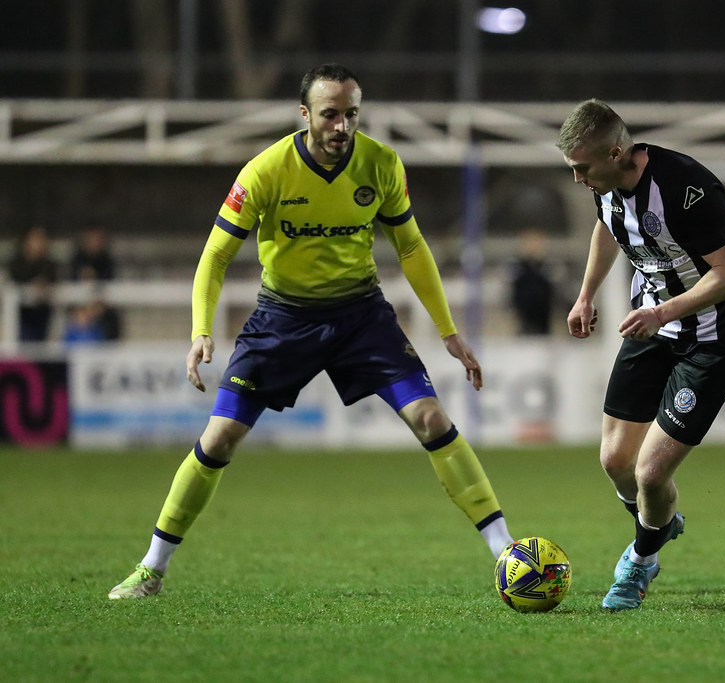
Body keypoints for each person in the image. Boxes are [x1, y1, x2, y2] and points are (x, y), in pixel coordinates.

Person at [108, 64, 514, 599]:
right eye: (330, 114)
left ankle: (510, 555)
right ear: (305, 115)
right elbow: (216, 255)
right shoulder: (265, 171)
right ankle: (151, 569)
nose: (342, 126)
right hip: (283, 318)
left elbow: (410, 248)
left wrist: (449, 331)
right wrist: (200, 328)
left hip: (361, 315)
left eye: (351, 114)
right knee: (220, 438)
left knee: (431, 417)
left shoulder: (381, 163)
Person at [558, 99, 725, 611]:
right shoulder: (607, 185)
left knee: (650, 474)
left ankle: (640, 563)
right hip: (653, 326)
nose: (578, 179)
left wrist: (663, 313)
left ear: (617, 152)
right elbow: (607, 225)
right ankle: (659, 524)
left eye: (583, 168)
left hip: (716, 336)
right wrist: (586, 294)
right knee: (615, 461)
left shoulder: (686, 188)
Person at [6, 225, 58, 343]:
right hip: (21, 318)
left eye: (42, 239)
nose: (39, 243)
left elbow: (51, 279)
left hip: (43, 317)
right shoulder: (16, 264)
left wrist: (43, 282)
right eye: (36, 239)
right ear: (26, 242)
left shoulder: (50, 265)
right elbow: (14, 282)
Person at [509, 228, 556, 335]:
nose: (533, 247)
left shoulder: (548, 265)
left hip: (544, 317)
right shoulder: (517, 266)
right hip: (523, 314)